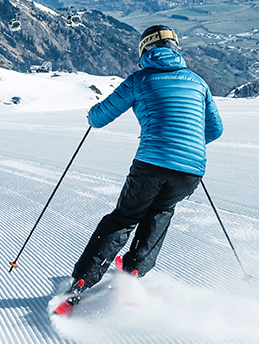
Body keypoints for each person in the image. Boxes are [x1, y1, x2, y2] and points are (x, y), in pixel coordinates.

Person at [58, 25, 224, 312]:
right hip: (191, 170)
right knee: (160, 211)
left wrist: (90, 114)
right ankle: (134, 271)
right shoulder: (198, 82)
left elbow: (99, 118)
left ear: (144, 50)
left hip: (152, 163)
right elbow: (215, 130)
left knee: (123, 218)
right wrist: (187, 143)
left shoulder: (140, 80)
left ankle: (81, 283)